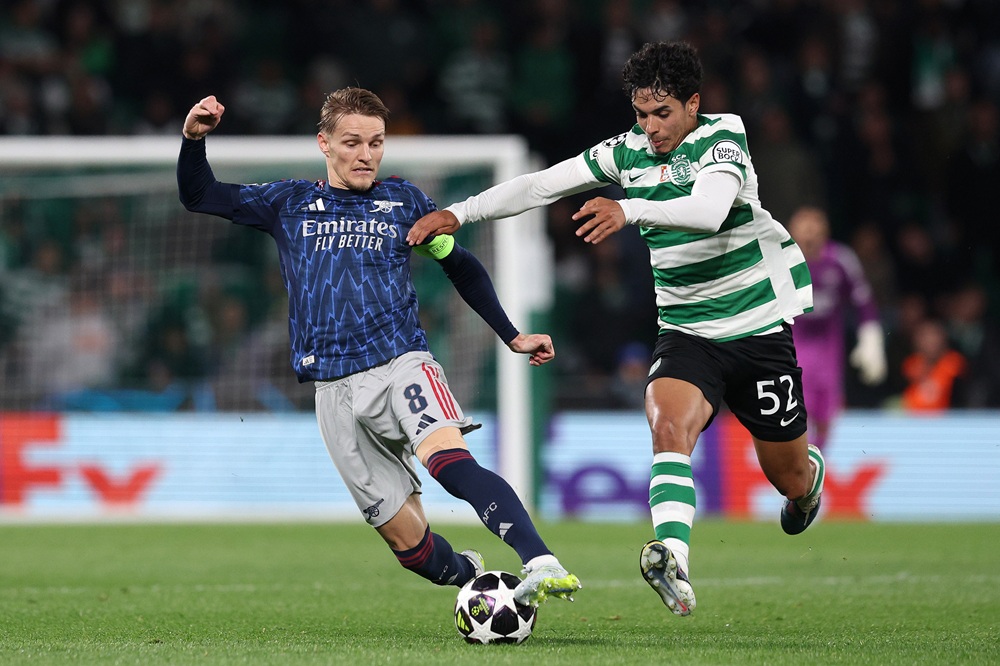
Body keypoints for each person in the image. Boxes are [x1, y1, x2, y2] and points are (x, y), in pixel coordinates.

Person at [407, 41, 824, 617]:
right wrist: (461, 212)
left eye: (663, 114)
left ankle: (808, 486)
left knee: (789, 477)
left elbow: (708, 209)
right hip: (688, 331)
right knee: (667, 423)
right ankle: (672, 557)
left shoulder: (723, 138)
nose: (650, 128)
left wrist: (628, 210)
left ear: (692, 104)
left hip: (756, 327)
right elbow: (540, 185)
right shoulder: (626, 152)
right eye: (641, 115)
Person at [177, 88, 580, 607]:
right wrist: (192, 140)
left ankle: (540, 561)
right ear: (325, 144)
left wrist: (512, 334)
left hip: (400, 364)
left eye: (376, 142)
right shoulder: (289, 202)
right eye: (352, 142)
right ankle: (470, 579)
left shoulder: (404, 202)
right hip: (333, 391)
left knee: (449, 460)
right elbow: (199, 196)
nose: (366, 154)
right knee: (409, 547)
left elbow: (459, 264)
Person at [787, 206, 887, 447]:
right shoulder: (781, 260)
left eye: (815, 229)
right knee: (797, 410)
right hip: (794, 344)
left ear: (825, 232)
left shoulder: (841, 260)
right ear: (792, 233)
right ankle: (798, 466)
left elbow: (863, 302)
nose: (810, 236)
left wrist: (871, 340)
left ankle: (817, 460)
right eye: (805, 230)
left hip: (829, 347)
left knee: (827, 412)